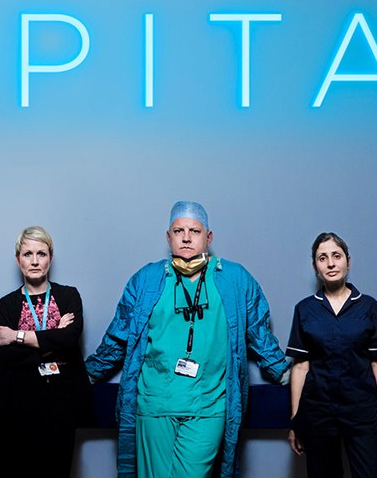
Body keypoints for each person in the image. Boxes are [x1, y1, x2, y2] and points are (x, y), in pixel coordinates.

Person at [84, 201, 291, 478]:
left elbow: (258, 333)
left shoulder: (235, 279)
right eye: (178, 231)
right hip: (154, 403)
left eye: (194, 231)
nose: (186, 237)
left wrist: (285, 374)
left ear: (209, 237)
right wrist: (87, 374)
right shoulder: (146, 279)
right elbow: (119, 335)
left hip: (209, 404)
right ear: (168, 237)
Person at [0, 226, 93, 478]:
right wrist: (54, 337)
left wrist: (17, 336)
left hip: (60, 408)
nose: (35, 261)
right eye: (28, 254)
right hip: (14, 409)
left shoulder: (68, 296)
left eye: (41, 254)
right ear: (18, 260)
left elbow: (69, 341)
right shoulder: (6, 304)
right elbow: (8, 356)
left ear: (50, 258)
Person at [286, 232, 377, 478]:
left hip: (362, 411)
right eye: (322, 258)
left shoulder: (368, 306)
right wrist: (296, 419)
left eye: (336, 256)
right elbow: (300, 366)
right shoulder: (305, 309)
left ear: (348, 261)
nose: (331, 263)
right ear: (315, 266)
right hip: (318, 413)